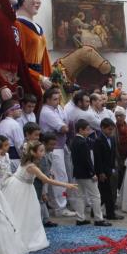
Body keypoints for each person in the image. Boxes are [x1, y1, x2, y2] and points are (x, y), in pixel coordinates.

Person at [4, 140, 78, 250]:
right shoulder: (31, 166)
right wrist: (66, 185)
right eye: (41, 151)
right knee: (21, 212)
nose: (43, 153)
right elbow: (46, 180)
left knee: (29, 213)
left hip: (26, 188)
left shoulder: (29, 162)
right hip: (21, 188)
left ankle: (26, 236)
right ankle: (19, 238)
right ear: (33, 153)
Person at [38, 87, 75, 216]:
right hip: (53, 148)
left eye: (58, 98)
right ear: (47, 99)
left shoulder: (58, 108)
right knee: (59, 176)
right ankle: (60, 207)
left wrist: (66, 127)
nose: (57, 101)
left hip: (61, 145)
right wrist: (65, 127)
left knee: (64, 175)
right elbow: (64, 128)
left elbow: (67, 124)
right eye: (54, 99)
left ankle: (60, 204)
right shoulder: (46, 111)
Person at [69, 119, 111, 226]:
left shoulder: (73, 141)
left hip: (77, 173)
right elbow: (86, 160)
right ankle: (98, 219)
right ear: (80, 130)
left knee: (79, 196)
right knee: (95, 196)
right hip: (86, 174)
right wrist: (92, 173)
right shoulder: (83, 142)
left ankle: (80, 218)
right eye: (87, 129)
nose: (89, 131)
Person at [15, 0, 53, 96]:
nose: (38, 1)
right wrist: (40, 78)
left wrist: (50, 79)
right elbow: (18, 61)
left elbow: (45, 60)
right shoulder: (17, 25)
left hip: (41, 80)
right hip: (26, 80)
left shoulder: (38, 28)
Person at [93, 119, 123, 220]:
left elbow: (113, 154)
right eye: (109, 129)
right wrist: (100, 172)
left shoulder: (113, 138)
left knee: (106, 193)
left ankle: (95, 211)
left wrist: (114, 167)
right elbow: (98, 158)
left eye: (112, 130)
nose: (111, 132)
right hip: (102, 171)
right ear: (102, 128)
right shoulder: (98, 140)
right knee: (106, 193)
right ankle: (110, 214)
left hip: (110, 169)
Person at [0, 99, 25, 168]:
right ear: (10, 111)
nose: (20, 110)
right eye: (18, 108)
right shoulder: (15, 124)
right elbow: (19, 145)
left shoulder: (0, 123)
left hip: (2, 158)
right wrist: (24, 160)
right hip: (14, 160)